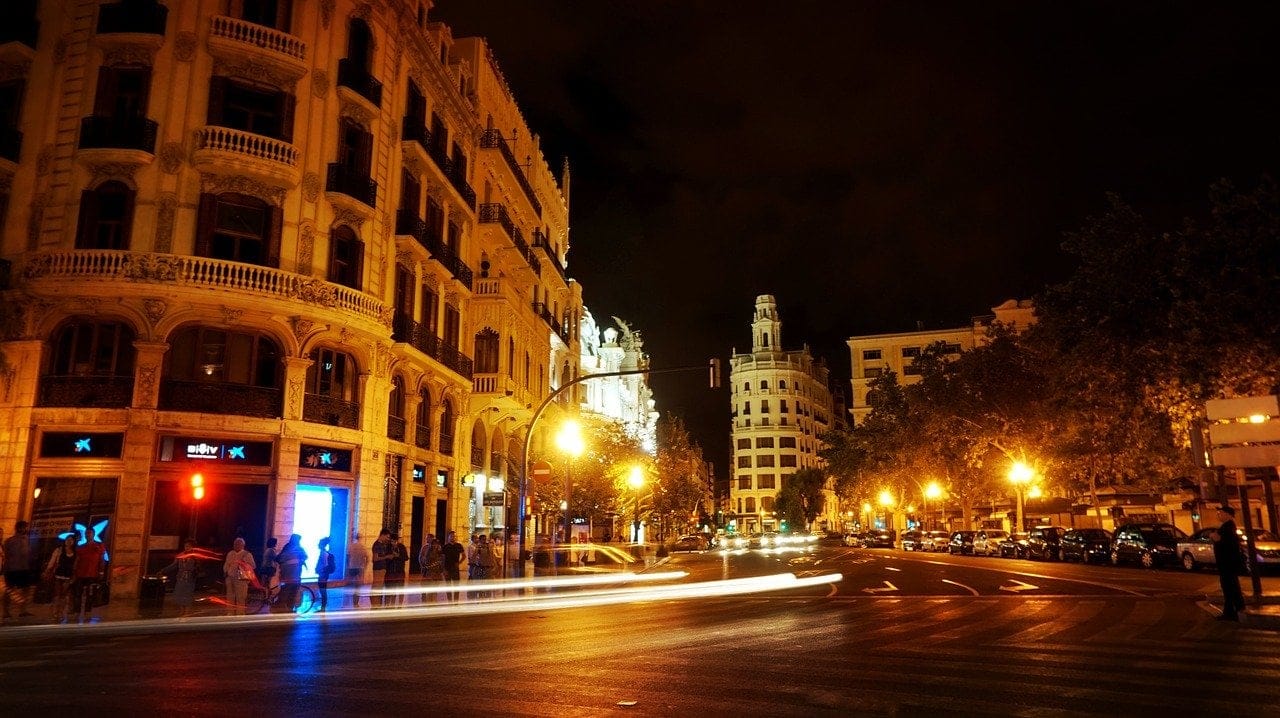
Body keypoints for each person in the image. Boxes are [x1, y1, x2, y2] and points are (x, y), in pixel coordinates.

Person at [1209, 505, 1246, 621]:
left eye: (1221, 513)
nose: (1218, 515)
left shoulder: (1228, 526)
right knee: (1232, 586)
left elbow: (1221, 540)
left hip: (1227, 563)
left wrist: (1213, 536)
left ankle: (1231, 612)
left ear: (1228, 514)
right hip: (1228, 562)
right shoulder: (1228, 526)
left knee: (1229, 587)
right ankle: (1236, 609)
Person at [72, 527, 107, 623]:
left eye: (90, 533)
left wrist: (101, 572)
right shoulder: (81, 547)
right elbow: (77, 560)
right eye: (87, 533)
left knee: (89, 595)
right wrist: (74, 572)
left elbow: (102, 560)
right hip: (80, 574)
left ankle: (87, 613)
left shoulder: (99, 546)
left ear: (93, 534)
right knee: (78, 594)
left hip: (92, 574)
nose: (88, 535)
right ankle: (77, 612)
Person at [3, 521, 35, 622]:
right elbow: (6, 555)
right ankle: (6, 611)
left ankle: (23, 610)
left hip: (24, 568)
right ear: (20, 528)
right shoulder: (10, 541)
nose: (27, 529)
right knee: (9, 590)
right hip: (12, 569)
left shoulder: (26, 540)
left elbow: (28, 554)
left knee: (26, 589)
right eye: (26, 527)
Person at [159, 539, 198, 616]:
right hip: (181, 577)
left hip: (190, 578)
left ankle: (187, 612)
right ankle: (181, 610)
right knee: (180, 594)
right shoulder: (180, 555)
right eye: (186, 546)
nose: (187, 548)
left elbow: (198, 567)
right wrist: (163, 570)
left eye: (189, 546)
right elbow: (174, 565)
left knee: (188, 594)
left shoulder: (195, 556)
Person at [45, 534, 78, 623]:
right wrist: (47, 570)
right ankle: (55, 613)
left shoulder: (75, 552)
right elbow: (52, 561)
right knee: (57, 595)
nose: (69, 541)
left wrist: (74, 576)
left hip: (68, 576)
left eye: (71, 540)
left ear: (73, 542)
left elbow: (75, 566)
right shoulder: (59, 550)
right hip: (58, 576)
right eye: (67, 539)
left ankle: (61, 613)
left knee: (64, 596)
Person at [223, 537, 256, 616]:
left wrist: (244, 564)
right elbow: (226, 564)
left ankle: (240, 613)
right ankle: (230, 612)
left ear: (242, 545)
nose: (236, 545)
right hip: (230, 578)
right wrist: (226, 572)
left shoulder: (247, 554)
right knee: (230, 596)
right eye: (235, 544)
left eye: (238, 544)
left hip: (241, 580)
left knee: (240, 597)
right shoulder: (230, 553)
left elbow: (253, 566)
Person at [275, 534, 307, 613]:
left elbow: (278, 558)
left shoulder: (287, 547)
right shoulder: (298, 548)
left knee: (285, 588)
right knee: (293, 590)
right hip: (295, 573)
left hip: (285, 573)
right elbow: (305, 556)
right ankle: (289, 607)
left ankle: (282, 606)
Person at [384, 534, 409, 606]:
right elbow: (385, 558)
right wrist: (390, 557)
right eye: (391, 541)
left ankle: (400, 605)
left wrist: (398, 556)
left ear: (397, 541)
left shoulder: (401, 547)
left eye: (394, 541)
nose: (393, 543)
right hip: (390, 571)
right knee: (390, 589)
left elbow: (406, 558)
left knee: (400, 589)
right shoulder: (388, 547)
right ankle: (389, 605)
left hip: (399, 571)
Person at [370, 529, 393, 607]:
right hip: (378, 569)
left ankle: (377, 604)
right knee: (376, 587)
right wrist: (387, 556)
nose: (388, 539)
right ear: (382, 535)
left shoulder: (382, 544)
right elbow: (375, 559)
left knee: (379, 587)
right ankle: (375, 604)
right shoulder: (377, 545)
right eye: (387, 537)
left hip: (382, 569)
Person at [346, 533, 369, 609]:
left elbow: (348, 557)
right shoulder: (363, 547)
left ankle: (348, 601)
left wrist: (348, 566)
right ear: (361, 538)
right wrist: (365, 567)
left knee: (350, 585)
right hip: (360, 568)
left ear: (355, 538)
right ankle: (356, 603)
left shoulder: (351, 546)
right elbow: (367, 558)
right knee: (358, 587)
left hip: (352, 567)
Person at [418, 534, 443, 602]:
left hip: (435, 572)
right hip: (427, 571)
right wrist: (423, 566)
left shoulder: (438, 548)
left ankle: (432, 603)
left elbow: (441, 559)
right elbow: (421, 558)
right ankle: (425, 602)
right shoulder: (425, 547)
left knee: (433, 590)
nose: (427, 540)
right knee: (424, 588)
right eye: (426, 538)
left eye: (428, 538)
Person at [441, 531, 465, 602]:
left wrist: (459, 562)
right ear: (448, 538)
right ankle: (450, 601)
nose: (453, 537)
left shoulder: (459, 546)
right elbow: (442, 558)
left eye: (454, 536)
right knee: (448, 586)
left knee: (456, 586)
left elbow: (464, 556)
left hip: (455, 569)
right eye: (451, 536)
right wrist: (443, 569)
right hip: (447, 568)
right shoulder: (445, 546)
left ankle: (456, 601)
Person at [315, 537, 335, 612]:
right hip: (323, 574)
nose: (318, 545)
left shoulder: (323, 553)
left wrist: (321, 571)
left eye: (319, 543)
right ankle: (323, 606)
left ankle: (323, 607)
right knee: (322, 589)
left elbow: (325, 565)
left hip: (323, 574)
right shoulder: (324, 553)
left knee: (322, 590)